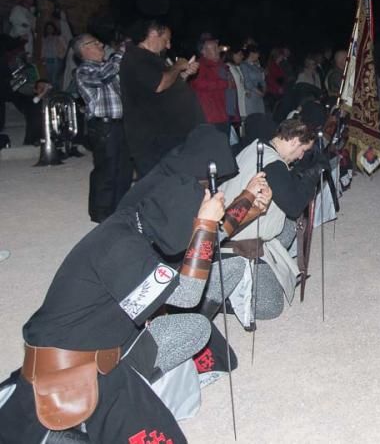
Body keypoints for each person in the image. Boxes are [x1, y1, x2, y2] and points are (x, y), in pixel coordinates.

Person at [0, 173, 253, 444]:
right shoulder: (120, 247)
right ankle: (70, 427)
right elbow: (188, 294)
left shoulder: (139, 226)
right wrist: (205, 224)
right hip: (72, 369)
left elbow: (195, 254)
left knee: (196, 327)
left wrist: (246, 201)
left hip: (115, 346)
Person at [218, 118, 321, 325]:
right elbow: (294, 205)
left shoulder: (258, 147)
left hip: (232, 229)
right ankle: (225, 296)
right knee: (269, 306)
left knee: (292, 224)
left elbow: (286, 189)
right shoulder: (273, 165)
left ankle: (265, 268)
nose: (301, 156)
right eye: (302, 150)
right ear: (294, 141)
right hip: (236, 244)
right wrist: (311, 178)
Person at [120, 20, 203, 177]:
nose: (169, 45)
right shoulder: (136, 58)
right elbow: (159, 84)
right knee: (156, 186)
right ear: (152, 34)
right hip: (151, 139)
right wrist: (177, 66)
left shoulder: (154, 59)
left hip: (166, 136)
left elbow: (168, 87)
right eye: (166, 39)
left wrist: (184, 74)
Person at [73, 34, 132, 223]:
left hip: (120, 124)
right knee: (106, 170)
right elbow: (103, 77)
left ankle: (119, 209)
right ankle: (101, 213)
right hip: (103, 126)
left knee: (124, 169)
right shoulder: (84, 70)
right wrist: (119, 53)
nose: (101, 44)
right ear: (84, 49)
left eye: (100, 41)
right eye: (95, 43)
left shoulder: (108, 67)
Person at [188, 33, 231, 135]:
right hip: (210, 118)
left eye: (217, 47)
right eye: (213, 48)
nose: (218, 50)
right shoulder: (200, 66)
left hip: (225, 115)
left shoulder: (222, 66)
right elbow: (197, 83)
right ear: (203, 51)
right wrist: (223, 84)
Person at [240, 45, 266, 116]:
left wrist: (264, 89)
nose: (258, 56)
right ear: (251, 53)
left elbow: (262, 80)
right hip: (251, 95)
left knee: (260, 116)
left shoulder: (256, 66)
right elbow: (247, 82)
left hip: (259, 95)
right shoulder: (243, 65)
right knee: (252, 116)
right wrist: (259, 92)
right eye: (257, 54)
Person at [40, 22, 66, 90]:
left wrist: (61, 56)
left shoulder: (59, 37)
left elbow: (65, 47)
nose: (49, 29)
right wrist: (42, 57)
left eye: (51, 28)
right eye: (48, 28)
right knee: (49, 78)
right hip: (48, 59)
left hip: (56, 59)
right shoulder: (45, 38)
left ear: (54, 29)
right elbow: (43, 48)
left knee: (55, 78)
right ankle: (52, 93)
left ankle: (57, 93)